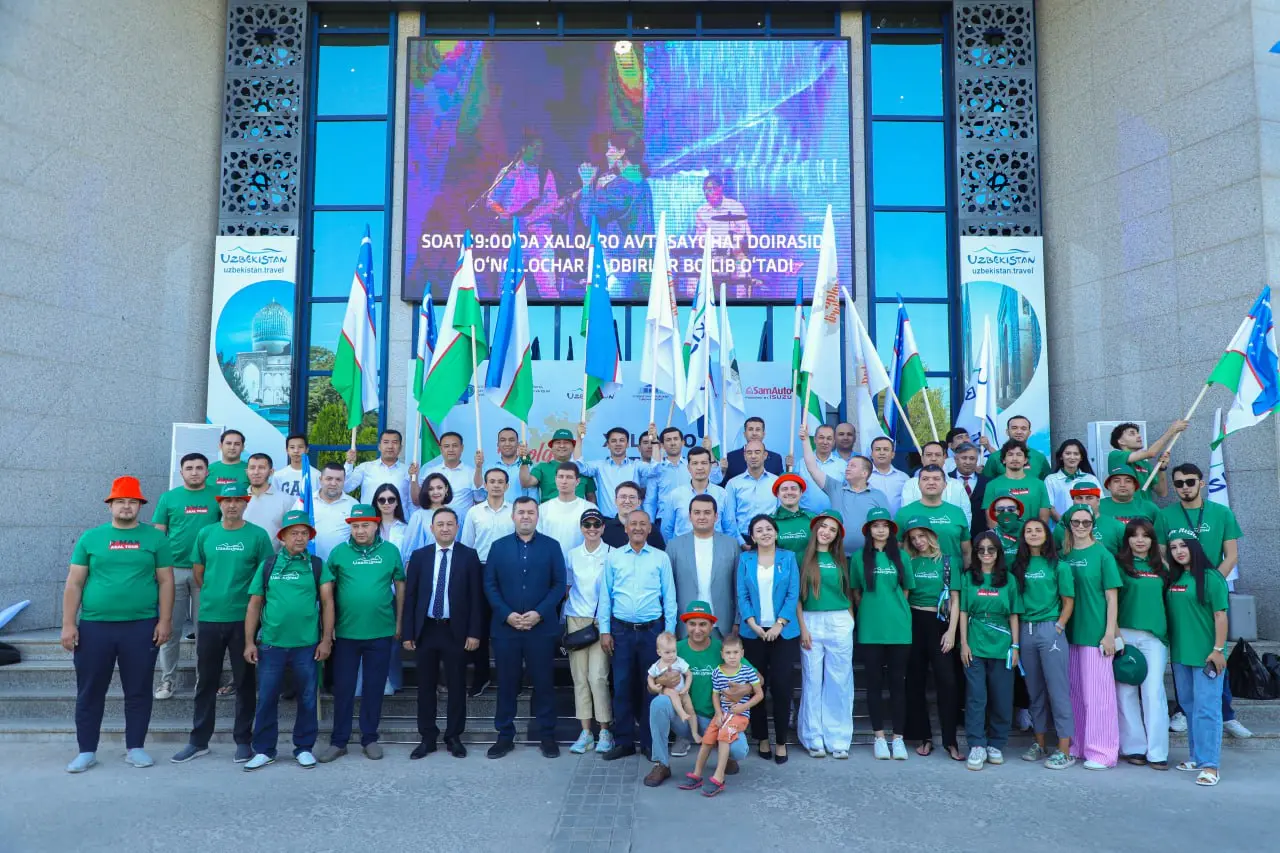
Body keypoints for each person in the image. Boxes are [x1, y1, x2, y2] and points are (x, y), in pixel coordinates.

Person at [62, 477, 175, 773]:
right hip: (94, 627)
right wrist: (68, 624)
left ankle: (135, 747)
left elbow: (166, 581)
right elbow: (75, 583)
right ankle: (86, 751)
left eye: (132, 501)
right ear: (110, 505)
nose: (127, 506)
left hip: (141, 626)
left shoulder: (155, 539)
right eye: (121, 501)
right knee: (90, 691)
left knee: (138, 690)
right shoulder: (91, 538)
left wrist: (165, 620)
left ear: (140, 505)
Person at [171, 483, 273, 764]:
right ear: (219, 504)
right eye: (227, 500)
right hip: (209, 617)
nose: (232, 505)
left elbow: (264, 577)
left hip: (244, 620)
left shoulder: (257, 535)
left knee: (244, 681)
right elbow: (199, 573)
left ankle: (243, 740)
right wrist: (217, 594)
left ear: (245, 503)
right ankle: (198, 741)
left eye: (238, 500)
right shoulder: (206, 533)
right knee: (206, 681)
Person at [1155, 462, 1249, 738]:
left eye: (1190, 481)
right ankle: (1184, 711)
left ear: (1201, 482)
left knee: (1215, 650)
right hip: (1180, 592)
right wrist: (1181, 581)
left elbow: (1231, 555)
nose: (1185, 487)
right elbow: (1161, 555)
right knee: (1184, 651)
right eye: (1179, 483)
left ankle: (1226, 713)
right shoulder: (1166, 516)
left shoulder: (1221, 513)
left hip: (1211, 589)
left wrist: (1210, 582)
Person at [242, 511, 335, 771]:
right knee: (267, 698)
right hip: (271, 644)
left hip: (307, 645)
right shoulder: (268, 565)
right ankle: (264, 750)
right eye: (294, 533)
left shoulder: (317, 565)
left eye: (304, 533)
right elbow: (254, 605)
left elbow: (328, 603)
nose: (300, 538)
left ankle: (304, 748)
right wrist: (249, 642)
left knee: (307, 698)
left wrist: (326, 640)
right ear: (282, 537)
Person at [316, 505, 404, 763]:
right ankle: (339, 741)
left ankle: (369, 738)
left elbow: (400, 586)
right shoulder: (339, 552)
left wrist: (400, 622)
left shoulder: (390, 551)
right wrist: (328, 630)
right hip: (346, 634)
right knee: (343, 689)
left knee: (374, 688)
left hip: (380, 631)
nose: (360, 530)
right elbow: (328, 594)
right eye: (355, 526)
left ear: (376, 525)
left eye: (365, 525)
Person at [484, 497, 566, 759]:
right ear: (513, 516)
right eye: (521, 512)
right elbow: (490, 584)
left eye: (531, 512)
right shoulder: (498, 547)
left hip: (540, 629)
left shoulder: (552, 546)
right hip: (506, 628)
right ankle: (504, 736)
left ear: (537, 516)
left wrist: (539, 613)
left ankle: (547, 736)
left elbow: (559, 584)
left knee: (543, 684)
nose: (526, 516)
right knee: (507, 684)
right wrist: (506, 614)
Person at [403, 507, 484, 760]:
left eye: (450, 524)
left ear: (457, 527)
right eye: (440, 524)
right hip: (427, 629)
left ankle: (454, 737)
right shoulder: (420, 556)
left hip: (455, 631)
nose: (445, 528)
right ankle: (427, 737)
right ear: (432, 528)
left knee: (457, 686)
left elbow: (476, 598)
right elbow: (411, 597)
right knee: (425, 687)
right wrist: (408, 633)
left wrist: (474, 633)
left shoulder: (469, 556)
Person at [643, 602, 751, 786]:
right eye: (692, 624)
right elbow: (651, 685)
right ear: (686, 625)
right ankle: (661, 763)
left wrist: (745, 689)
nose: (697, 629)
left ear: (711, 625)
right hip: (685, 717)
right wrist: (661, 682)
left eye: (703, 624)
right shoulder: (674, 649)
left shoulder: (723, 649)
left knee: (739, 750)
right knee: (658, 704)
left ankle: (726, 754)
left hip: (718, 719)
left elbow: (758, 679)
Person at [598, 511, 677, 760]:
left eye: (643, 524)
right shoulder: (613, 557)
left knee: (651, 687)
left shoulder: (660, 558)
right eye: (633, 523)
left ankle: (650, 742)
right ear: (626, 528)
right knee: (621, 686)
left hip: (652, 632)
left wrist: (668, 634)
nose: (638, 528)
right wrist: (604, 630)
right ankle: (623, 742)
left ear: (650, 528)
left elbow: (670, 598)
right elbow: (605, 595)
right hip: (621, 631)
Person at [151, 452, 221, 701]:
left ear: (207, 472)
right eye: (189, 468)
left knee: (206, 631)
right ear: (181, 472)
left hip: (207, 571)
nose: (194, 472)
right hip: (174, 572)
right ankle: (167, 680)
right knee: (170, 629)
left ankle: (205, 681)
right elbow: (158, 536)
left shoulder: (218, 497)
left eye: (199, 468)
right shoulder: (169, 498)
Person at [1009, 517, 1076, 769]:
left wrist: (1059, 626)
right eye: (1029, 531)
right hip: (1025, 630)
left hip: (1050, 629)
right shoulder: (1018, 566)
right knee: (1034, 690)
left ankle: (1064, 749)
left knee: (1058, 691)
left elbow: (1068, 601)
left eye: (1038, 530)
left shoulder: (1059, 565)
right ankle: (1039, 744)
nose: (1034, 534)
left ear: (1047, 535)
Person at [1061, 503, 1123, 770]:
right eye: (1076, 522)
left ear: (1092, 525)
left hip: (1095, 632)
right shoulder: (1063, 555)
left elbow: (1112, 598)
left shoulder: (1103, 554)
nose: (1081, 527)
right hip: (1068, 633)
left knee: (1098, 697)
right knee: (1075, 693)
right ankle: (1078, 744)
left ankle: (1102, 752)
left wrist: (1109, 634)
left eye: (1086, 522)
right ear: (1069, 525)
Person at [1165, 535, 1229, 786]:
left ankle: (1210, 765)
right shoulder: (1175, 578)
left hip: (1207, 656)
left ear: (1194, 548)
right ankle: (1196, 757)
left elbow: (1220, 615)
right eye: (1173, 547)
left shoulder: (1211, 578)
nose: (1178, 551)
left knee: (1207, 709)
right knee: (1189, 707)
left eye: (1183, 546)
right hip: (1181, 655)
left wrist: (1218, 650)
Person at [736, 515, 801, 764]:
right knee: (756, 687)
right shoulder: (745, 559)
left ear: (776, 532)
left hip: (783, 633)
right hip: (753, 633)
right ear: (752, 536)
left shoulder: (788, 558)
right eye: (759, 530)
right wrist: (753, 624)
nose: (764, 533)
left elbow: (793, 594)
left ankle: (781, 741)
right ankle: (762, 738)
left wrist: (779, 624)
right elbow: (742, 594)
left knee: (782, 687)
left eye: (768, 529)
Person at [852, 507, 915, 761]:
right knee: (874, 684)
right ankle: (879, 737)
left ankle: (898, 738)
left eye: (885, 525)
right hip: (870, 628)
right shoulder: (859, 557)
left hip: (899, 629)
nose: (880, 530)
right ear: (869, 530)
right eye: (875, 525)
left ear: (890, 530)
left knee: (898, 684)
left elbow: (906, 589)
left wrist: (895, 610)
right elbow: (856, 592)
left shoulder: (902, 556)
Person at [959, 530, 1022, 771]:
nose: (986, 553)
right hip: (975, 643)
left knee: (1002, 697)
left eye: (991, 549)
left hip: (1003, 644)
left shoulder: (1009, 580)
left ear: (998, 552)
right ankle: (977, 744)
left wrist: (1015, 646)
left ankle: (996, 743)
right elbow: (963, 611)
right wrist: (963, 643)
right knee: (976, 696)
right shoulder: (968, 577)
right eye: (981, 549)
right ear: (976, 553)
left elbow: (1014, 614)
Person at [795, 510, 856, 759]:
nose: (826, 532)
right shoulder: (801, 557)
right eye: (823, 526)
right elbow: (796, 596)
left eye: (832, 529)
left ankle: (838, 738)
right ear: (815, 528)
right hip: (811, 621)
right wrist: (802, 627)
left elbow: (848, 592)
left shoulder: (840, 559)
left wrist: (850, 620)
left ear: (837, 535)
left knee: (839, 681)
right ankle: (813, 737)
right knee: (812, 680)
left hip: (839, 620)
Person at [901, 519, 961, 761]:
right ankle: (923, 736)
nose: (918, 541)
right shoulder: (909, 561)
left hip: (940, 623)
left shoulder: (947, 561)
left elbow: (955, 599)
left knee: (947, 682)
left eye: (922, 536)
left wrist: (952, 632)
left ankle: (950, 741)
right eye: (913, 538)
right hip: (913, 621)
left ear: (931, 536)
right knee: (915, 681)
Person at [676, 635, 763, 797]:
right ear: (722, 654)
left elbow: (759, 694)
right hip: (722, 714)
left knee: (724, 737)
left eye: (736, 652)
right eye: (728, 653)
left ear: (742, 653)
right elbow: (715, 695)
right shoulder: (717, 672)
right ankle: (696, 774)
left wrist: (743, 706)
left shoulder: (747, 671)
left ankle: (719, 777)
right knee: (707, 740)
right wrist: (717, 713)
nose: (732, 656)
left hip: (739, 715)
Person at [1115, 519, 1171, 769]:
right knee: (1125, 693)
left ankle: (1157, 752)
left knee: (1153, 693)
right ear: (1127, 539)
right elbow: (1111, 599)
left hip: (1154, 637)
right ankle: (1134, 748)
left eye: (1145, 535)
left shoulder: (1163, 567)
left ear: (1152, 540)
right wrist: (1114, 634)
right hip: (1125, 634)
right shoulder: (1119, 565)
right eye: (1134, 535)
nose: (1140, 540)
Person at [458, 468, 514, 696]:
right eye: (492, 481)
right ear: (485, 485)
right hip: (480, 569)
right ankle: (481, 676)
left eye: (500, 482)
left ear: (507, 486)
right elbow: (467, 546)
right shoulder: (474, 512)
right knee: (478, 624)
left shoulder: (515, 511)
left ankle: (510, 678)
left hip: (509, 572)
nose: (496, 485)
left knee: (507, 625)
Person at [486, 129, 561, 296]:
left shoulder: (545, 175)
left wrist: (557, 210)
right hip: (514, 235)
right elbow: (490, 200)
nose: (539, 152)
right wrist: (504, 215)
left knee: (548, 289)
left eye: (541, 149)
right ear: (524, 148)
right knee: (507, 288)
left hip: (540, 236)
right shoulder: (509, 172)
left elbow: (554, 206)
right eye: (535, 148)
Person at [564, 509, 614, 754]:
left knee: (598, 677)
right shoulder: (572, 555)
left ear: (603, 527)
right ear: (581, 528)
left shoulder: (613, 554)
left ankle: (604, 730)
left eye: (596, 524)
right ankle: (586, 733)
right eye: (587, 524)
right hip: (576, 619)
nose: (592, 529)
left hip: (600, 621)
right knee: (580, 677)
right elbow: (567, 587)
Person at [802, 421, 888, 554]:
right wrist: (805, 440)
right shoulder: (835, 488)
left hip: (868, 556)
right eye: (848, 465)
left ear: (864, 473)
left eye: (852, 466)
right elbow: (812, 468)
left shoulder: (878, 495)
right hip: (837, 555)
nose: (847, 468)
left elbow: (886, 527)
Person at [668, 494, 739, 637]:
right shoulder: (674, 546)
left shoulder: (731, 545)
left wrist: (737, 621)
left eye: (707, 512)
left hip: (721, 624)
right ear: (690, 516)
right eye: (697, 512)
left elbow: (738, 587)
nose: (702, 517)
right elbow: (668, 589)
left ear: (716, 516)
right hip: (686, 624)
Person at [896, 464, 972, 570]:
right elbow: (897, 550)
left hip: (952, 576)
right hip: (916, 576)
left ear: (945, 484)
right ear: (918, 484)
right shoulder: (904, 513)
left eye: (936, 479)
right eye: (925, 479)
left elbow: (966, 552)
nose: (931, 482)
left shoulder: (957, 512)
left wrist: (965, 576)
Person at [371, 484, 408, 694]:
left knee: (394, 636)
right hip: (374, 589)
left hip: (398, 588)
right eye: (382, 499)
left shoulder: (405, 528)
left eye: (391, 499)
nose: (386, 503)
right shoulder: (368, 527)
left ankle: (392, 681)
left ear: (397, 502)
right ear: (376, 502)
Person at [575, 424, 655, 518]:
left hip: (633, 520)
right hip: (608, 520)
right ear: (608, 445)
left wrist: (655, 441)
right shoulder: (599, 466)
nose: (618, 444)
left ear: (627, 444)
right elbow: (579, 466)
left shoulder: (637, 465)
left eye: (622, 440)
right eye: (613, 441)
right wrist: (579, 438)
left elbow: (655, 469)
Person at [659, 447, 730, 542]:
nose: (700, 467)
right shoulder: (675, 495)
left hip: (716, 548)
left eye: (704, 463)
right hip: (683, 548)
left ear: (710, 466)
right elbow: (666, 530)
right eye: (695, 463)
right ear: (688, 468)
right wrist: (676, 548)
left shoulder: (722, 494)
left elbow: (729, 528)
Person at [1109, 419, 1187, 499]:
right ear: (1121, 441)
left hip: (1146, 506)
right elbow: (1150, 453)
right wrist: (1171, 431)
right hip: (1129, 506)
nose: (1139, 436)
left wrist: (1161, 469)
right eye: (1132, 434)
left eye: (1138, 433)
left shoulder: (1145, 464)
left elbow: (1162, 492)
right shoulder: (1115, 455)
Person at [899, 442, 972, 525]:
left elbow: (966, 516)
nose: (933, 458)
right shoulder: (910, 484)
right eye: (929, 455)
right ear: (922, 458)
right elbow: (907, 515)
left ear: (944, 458)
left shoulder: (957, 485)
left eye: (938, 455)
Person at [982, 440, 1051, 525]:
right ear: (1003, 460)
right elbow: (991, 521)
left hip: (1031, 533)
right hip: (1003, 533)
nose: (1015, 458)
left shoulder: (1039, 484)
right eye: (1010, 454)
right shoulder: (992, 485)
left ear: (1025, 460)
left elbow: (1044, 519)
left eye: (1019, 454)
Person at [723, 440, 779, 544]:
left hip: (770, 539)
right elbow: (729, 518)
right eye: (749, 452)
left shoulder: (776, 482)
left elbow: (781, 513)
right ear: (745, 456)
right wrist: (741, 543)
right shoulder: (733, 484)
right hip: (743, 540)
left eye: (757, 452)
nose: (753, 456)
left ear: (765, 455)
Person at [537, 462, 594, 561]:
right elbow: (538, 540)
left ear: (577, 481)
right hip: (550, 563)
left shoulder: (589, 509)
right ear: (555, 479)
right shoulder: (542, 509)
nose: (564, 481)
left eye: (569, 477)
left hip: (580, 563)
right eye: (561, 477)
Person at [345, 429, 417, 508]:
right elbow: (346, 487)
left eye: (394, 442)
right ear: (379, 446)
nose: (390, 446)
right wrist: (349, 463)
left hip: (398, 516)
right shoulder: (365, 468)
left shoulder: (409, 471)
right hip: (370, 515)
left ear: (400, 448)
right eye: (386, 442)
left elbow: (412, 503)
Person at [301, 462, 357, 560]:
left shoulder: (353, 505)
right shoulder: (305, 502)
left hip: (342, 563)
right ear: (320, 480)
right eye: (329, 478)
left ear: (344, 481)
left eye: (338, 479)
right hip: (308, 562)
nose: (333, 483)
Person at [422, 432, 480, 524]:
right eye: (446, 446)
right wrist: (414, 478)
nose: (451, 449)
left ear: (462, 448)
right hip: (434, 524)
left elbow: (479, 501)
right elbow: (420, 500)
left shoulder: (472, 473)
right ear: (441, 449)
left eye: (455, 446)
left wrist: (479, 468)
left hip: (462, 526)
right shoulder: (430, 472)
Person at [519, 429, 591, 503]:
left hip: (578, 510)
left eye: (566, 442)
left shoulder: (583, 469)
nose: (562, 446)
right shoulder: (542, 467)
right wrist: (525, 459)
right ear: (552, 447)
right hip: (549, 510)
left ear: (573, 447)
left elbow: (591, 498)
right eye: (558, 442)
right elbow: (526, 483)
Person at [1053, 483, 1125, 553]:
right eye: (1079, 498)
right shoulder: (1063, 527)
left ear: (1098, 501)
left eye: (1089, 498)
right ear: (1073, 502)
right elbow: (1053, 555)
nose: (1084, 502)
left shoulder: (1117, 527)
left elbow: (1126, 556)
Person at [244, 452, 296, 547]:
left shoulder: (286, 500)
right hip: (243, 554)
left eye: (261, 468)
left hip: (274, 555)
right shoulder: (237, 499)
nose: (256, 472)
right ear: (247, 471)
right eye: (252, 468)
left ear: (271, 472)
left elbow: (293, 531)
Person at [399, 472, 453, 559]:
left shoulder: (455, 514)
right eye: (431, 489)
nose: (435, 492)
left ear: (446, 489)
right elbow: (409, 549)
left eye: (439, 488)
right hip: (425, 564)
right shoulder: (418, 516)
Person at [647, 632, 695, 729]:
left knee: (690, 709)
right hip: (667, 693)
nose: (671, 655)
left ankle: (695, 733)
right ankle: (682, 713)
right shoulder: (657, 666)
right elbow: (650, 677)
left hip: (682, 692)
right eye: (667, 652)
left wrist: (686, 688)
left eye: (674, 651)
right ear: (659, 652)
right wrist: (653, 686)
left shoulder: (679, 662)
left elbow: (689, 674)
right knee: (671, 692)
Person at [1044, 439, 1099, 521]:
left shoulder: (1091, 479)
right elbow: (1050, 507)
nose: (1072, 457)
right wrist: (1064, 524)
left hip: (1087, 526)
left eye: (1076, 454)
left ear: (1081, 457)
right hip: (1060, 526)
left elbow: (1099, 503)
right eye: (1068, 453)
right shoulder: (1051, 480)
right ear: (1061, 456)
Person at [980, 416, 1050, 479]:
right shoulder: (994, 457)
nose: (1019, 432)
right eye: (1014, 428)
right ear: (1007, 432)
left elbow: (1047, 484)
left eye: (1023, 428)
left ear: (1029, 433)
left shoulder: (1040, 457)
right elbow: (986, 484)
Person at [794, 424, 843, 513]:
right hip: (807, 516)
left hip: (833, 517)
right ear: (815, 439)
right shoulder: (801, 464)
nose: (825, 442)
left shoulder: (843, 465)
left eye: (829, 438)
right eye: (821, 437)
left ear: (834, 442)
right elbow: (794, 489)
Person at [475, 426, 532, 502]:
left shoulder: (528, 467)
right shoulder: (488, 468)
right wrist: (478, 467)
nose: (507, 444)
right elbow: (479, 496)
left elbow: (533, 497)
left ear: (518, 444)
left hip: (520, 509)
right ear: (498, 444)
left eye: (511, 440)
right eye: (503, 440)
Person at [603, 481, 666, 549]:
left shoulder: (650, 529)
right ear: (615, 501)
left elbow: (660, 553)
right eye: (623, 497)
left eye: (632, 497)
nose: (627, 501)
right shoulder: (605, 529)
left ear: (639, 502)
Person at [693, 174, 751, 247]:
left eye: (710, 189)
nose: (706, 193)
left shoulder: (735, 206)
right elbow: (699, 238)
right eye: (704, 190)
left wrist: (732, 244)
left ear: (720, 189)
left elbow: (746, 234)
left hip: (734, 249)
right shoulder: (701, 211)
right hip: (712, 251)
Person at [948, 442, 989, 536]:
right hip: (953, 534)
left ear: (977, 460)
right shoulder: (946, 481)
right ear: (955, 459)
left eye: (972, 458)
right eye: (964, 458)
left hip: (981, 536)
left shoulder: (987, 483)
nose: (968, 462)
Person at [770, 474, 814, 556]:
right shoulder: (769, 522)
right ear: (778, 494)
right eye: (784, 489)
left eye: (794, 488)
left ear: (801, 493)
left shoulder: (812, 519)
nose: (789, 492)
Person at [271, 433, 322, 500]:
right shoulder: (278, 475)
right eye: (292, 447)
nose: (296, 451)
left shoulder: (317, 475)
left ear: (307, 449)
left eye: (300, 447)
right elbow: (274, 499)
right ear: (287, 450)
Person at [868, 437, 910, 514]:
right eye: (877, 449)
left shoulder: (903, 477)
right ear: (871, 454)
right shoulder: (864, 476)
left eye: (886, 449)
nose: (882, 453)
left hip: (897, 520)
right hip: (871, 520)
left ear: (893, 454)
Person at [987, 496, 1026, 563]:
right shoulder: (989, 536)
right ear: (995, 513)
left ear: (1018, 512)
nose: (1006, 512)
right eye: (1000, 510)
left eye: (1011, 509)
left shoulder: (1029, 531)